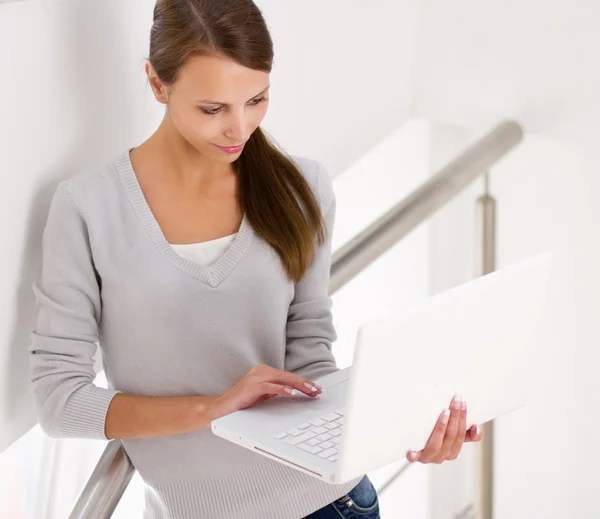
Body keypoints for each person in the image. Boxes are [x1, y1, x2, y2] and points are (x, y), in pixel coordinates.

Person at [28, 1, 482, 518]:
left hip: (333, 503)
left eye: (257, 99)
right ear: (157, 84)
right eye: (212, 108)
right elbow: (59, 401)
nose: (239, 129)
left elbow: (311, 359)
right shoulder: (88, 208)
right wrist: (215, 408)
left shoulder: (300, 187)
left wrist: (394, 430)